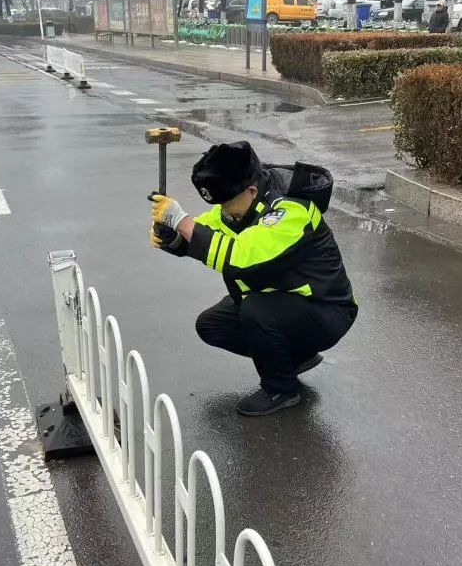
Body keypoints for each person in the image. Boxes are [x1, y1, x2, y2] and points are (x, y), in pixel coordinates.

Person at [149, 141, 357, 417]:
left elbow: (241, 256)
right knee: (211, 325)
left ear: (251, 190)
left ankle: (280, 389)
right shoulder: (238, 206)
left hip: (326, 310)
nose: (225, 212)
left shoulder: (290, 210)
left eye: (228, 204)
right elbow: (206, 231)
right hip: (287, 305)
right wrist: (174, 238)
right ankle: (295, 358)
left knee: (255, 310)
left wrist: (183, 222)